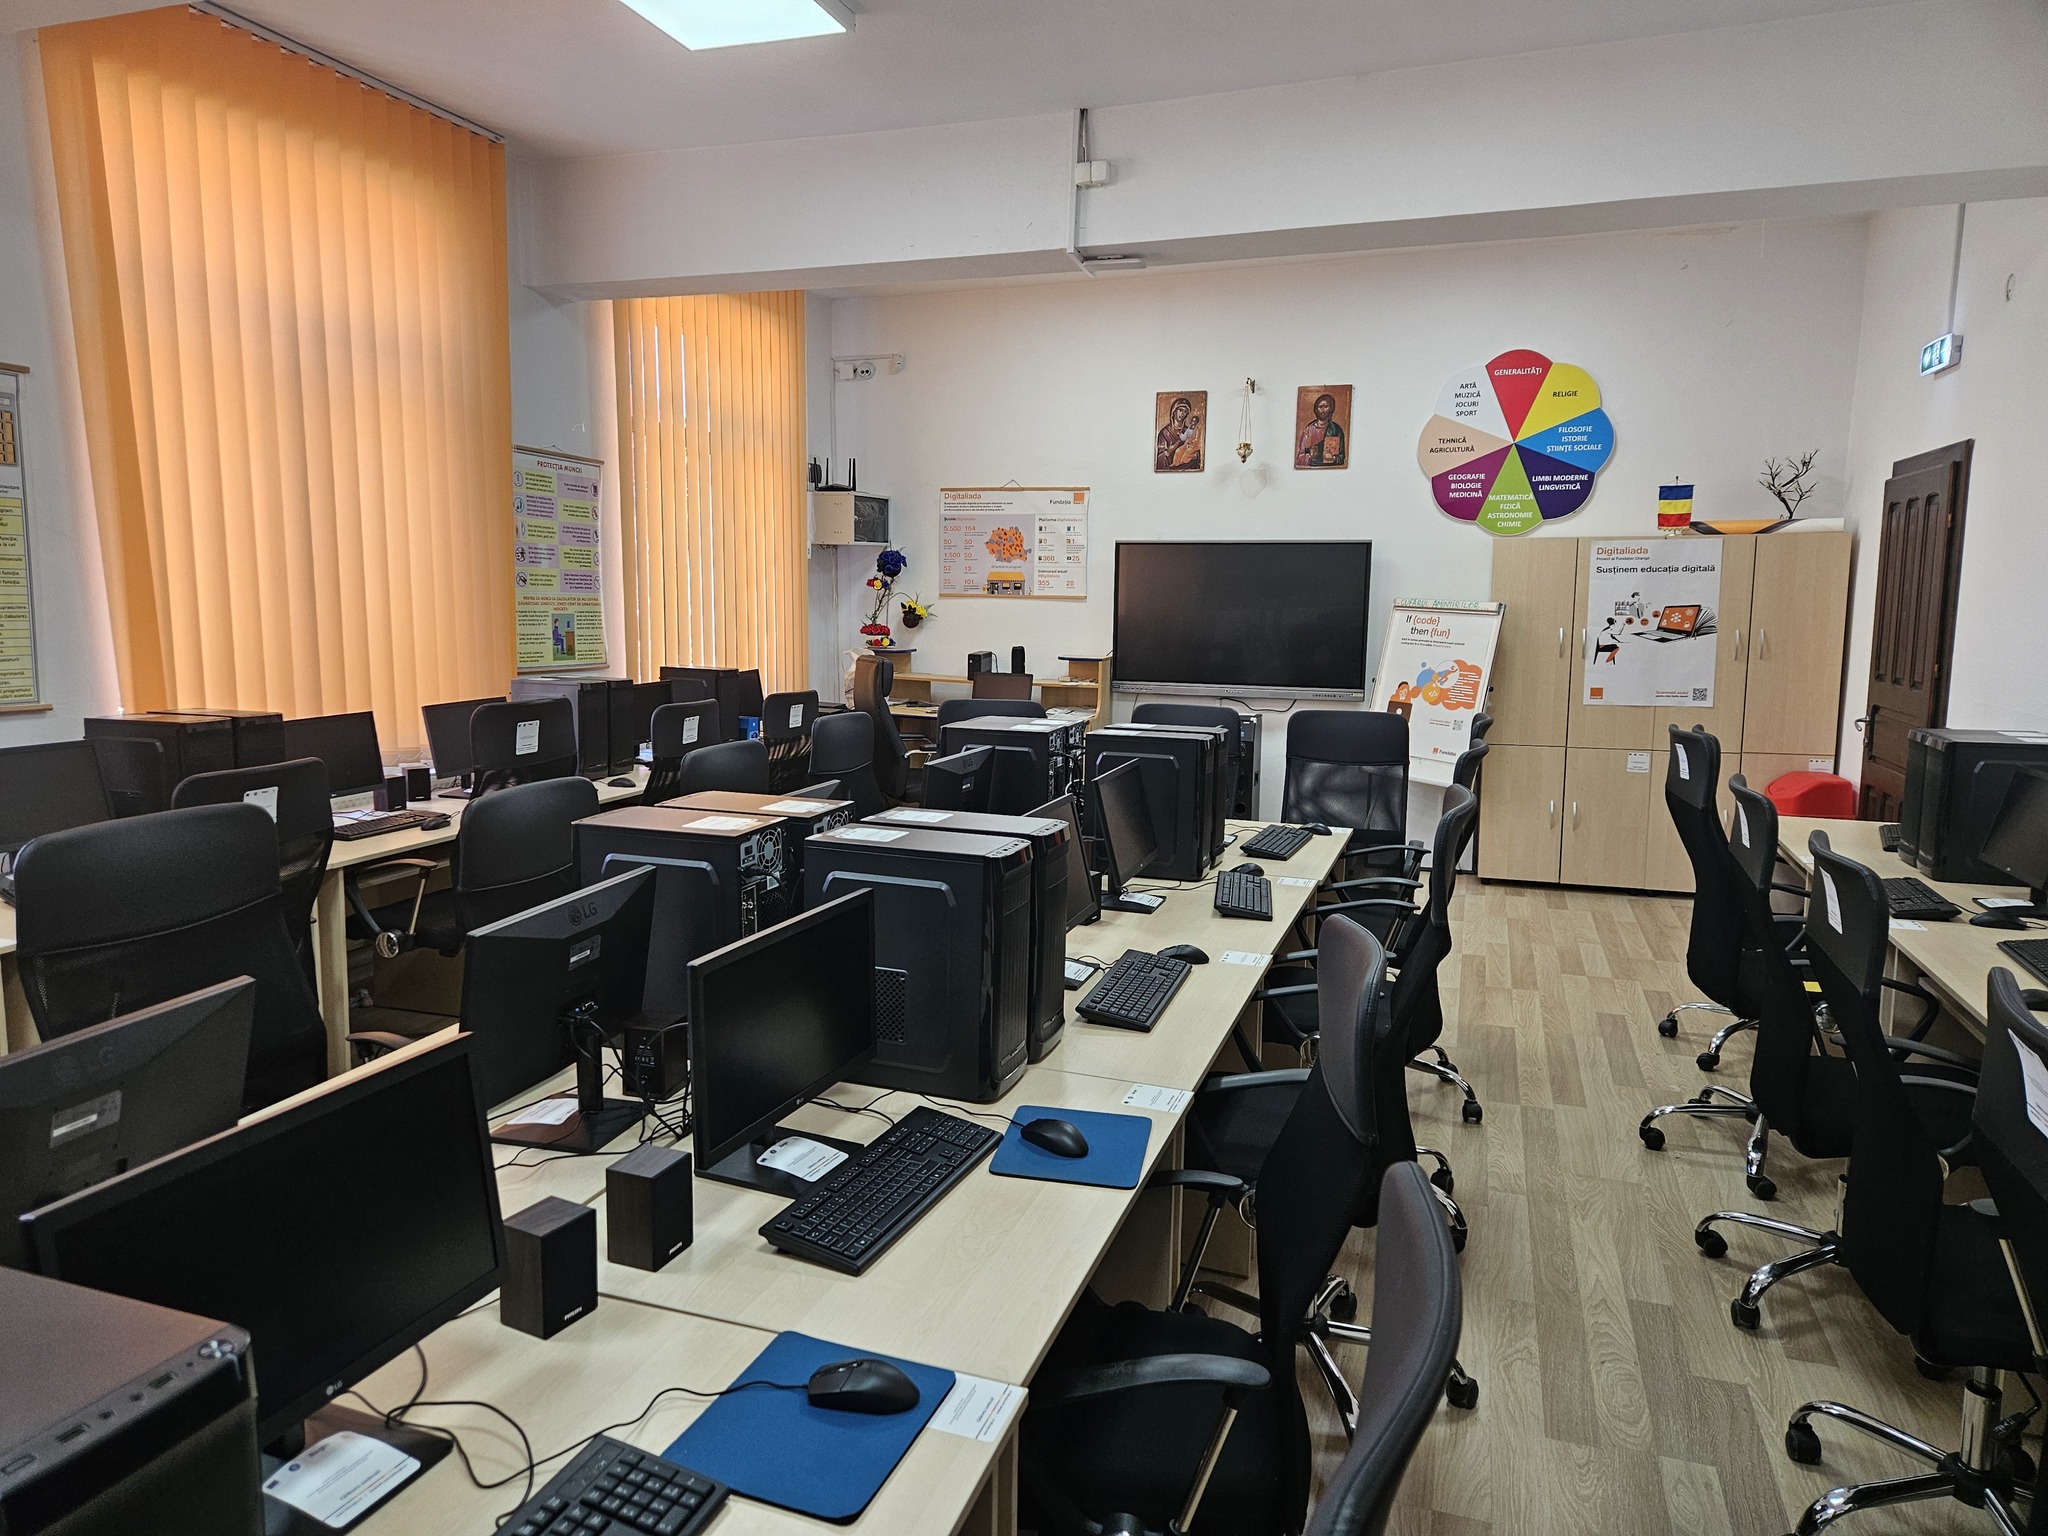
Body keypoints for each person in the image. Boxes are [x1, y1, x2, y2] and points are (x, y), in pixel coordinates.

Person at [1295, 391, 1346, 467]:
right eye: (1320, 407)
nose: (1322, 410)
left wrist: (1333, 458)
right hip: (1311, 468)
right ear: (1316, 409)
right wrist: (1309, 456)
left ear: (1331, 409)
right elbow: (1299, 458)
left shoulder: (1336, 430)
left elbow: (1341, 458)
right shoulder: (1309, 429)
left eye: (1326, 406)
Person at [1156, 396, 1202, 472]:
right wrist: (1168, 451)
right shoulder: (1164, 433)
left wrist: (1195, 455)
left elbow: (1197, 450)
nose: (1182, 414)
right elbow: (1158, 459)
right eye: (1180, 410)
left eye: (1185, 411)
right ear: (1174, 411)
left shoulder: (1188, 431)